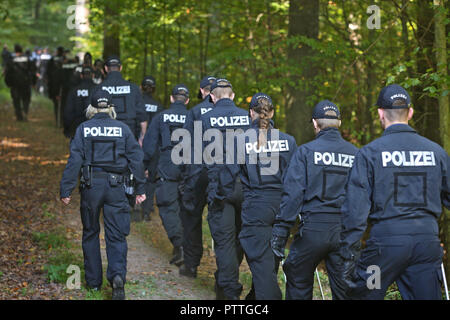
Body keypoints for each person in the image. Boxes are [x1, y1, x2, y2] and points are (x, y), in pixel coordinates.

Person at [338, 84, 449, 300]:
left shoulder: (370, 153)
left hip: (384, 250)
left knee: (366, 293)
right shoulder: (436, 153)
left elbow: (355, 211)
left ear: (380, 113)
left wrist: (347, 254)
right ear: (410, 112)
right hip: (426, 247)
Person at [60, 89, 146, 300]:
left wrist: (66, 189)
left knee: (90, 232)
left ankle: (94, 283)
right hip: (117, 187)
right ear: (110, 108)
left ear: (91, 108)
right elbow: (136, 159)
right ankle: (117, 277)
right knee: (116, 235)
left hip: (91, 187)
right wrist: (140, 189)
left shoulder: (83, 129)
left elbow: (75, 161)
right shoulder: (123, 129)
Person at [271, 100, 358, 300]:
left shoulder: (305, 152)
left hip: (313, 230)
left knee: (298, 278)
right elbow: (363, 196)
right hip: (344, 231)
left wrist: (280, 233)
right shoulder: (356, 154)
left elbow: (293, 194)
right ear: (340, 123)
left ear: (315, 124)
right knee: (346, 289)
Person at [217, 93, 297, 299]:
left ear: (250, 113)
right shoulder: (289, 141)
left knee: (260, 260)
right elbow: (296, 180)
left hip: (256, 205)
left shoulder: (241, 140)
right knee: (272, 253)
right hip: (283, 206)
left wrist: (221, 198)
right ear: (271, 113)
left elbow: (227, 176)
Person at [197, 78, 250, 299]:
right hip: (247, 186)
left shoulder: (205, 118)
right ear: (233, 95)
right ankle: (227, 279)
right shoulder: (249, 117)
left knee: (224, 238)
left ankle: (228, 288)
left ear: (212, 96)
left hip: (220, 187)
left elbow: (197, 157)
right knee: (239, 236)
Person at [143, 84, 190, 266]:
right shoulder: (193, 117)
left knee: (167, 207)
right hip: (188, 169)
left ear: (171, 99)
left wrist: (145, 166)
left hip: (167, 168)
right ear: (187, 100)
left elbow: (149, 145)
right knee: (186, 210)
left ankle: (180, 244)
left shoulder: (160, 117)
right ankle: (186, 247)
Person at [179, 75, 216, 279]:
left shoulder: (194, 112)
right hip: (223, 174)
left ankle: (191, 265)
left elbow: (184, 145)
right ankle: (226, 269)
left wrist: (184, 176)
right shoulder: (234, 114)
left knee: (192, 219)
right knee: (222, 221)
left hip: (197, 172)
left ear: (202, 91)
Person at [99, 55, 147, 145]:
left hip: (105, 133)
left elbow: (90, 114)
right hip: (128, 133)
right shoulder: (134, 88)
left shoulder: (98, 89)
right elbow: (142, 116)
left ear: (106, 68)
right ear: (120, 68)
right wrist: (142, 137)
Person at [140, 75, 163, 221]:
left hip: (137, 143)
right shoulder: (159, 106)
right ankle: (146, 210)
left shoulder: (136, 103)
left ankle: (132, 204)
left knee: (134, 173)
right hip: (153, 146)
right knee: (151, 178)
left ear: (141, 87)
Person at [4, 44, 36, 122]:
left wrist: (8, 83)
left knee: (16, 99)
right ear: (22, 50)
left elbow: (7, 72)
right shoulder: (28, 58)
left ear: (15, 50)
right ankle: (25, 111)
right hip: (25, 82)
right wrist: (33, 82)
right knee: (26, 99)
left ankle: (19, 116)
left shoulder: (11, 59)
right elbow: (33, 71)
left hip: (15, 83)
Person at [63, 66, 96, 138]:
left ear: (81, 76)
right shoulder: (98, 90)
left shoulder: (74, 91)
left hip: (77, 127)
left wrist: (67, 129)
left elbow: (68, 111)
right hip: (94, 128)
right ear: (93, 75)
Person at [47, 46, 65, 126]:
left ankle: (58, 119)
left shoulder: (52, 59)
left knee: (56, 103)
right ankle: (61, 120)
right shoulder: (66, 60)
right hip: (64, 84)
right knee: (63, 104)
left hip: (54, 84)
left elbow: (48, 72)